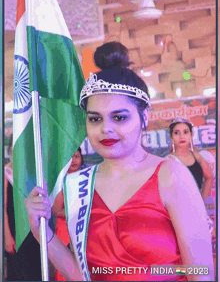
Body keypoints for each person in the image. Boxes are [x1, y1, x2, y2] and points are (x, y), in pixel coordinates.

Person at [25, 42, 214, 281]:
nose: (106, 129)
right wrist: (42, 233)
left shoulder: (170, 175)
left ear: (143, 117)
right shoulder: (78, 184)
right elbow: (81, 274)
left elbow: (200, 272)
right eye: (95, 119)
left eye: (119, 117)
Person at [4, 135, 42, 281]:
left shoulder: (33, 173)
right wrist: (7, 237)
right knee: (19, 274)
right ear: (11, 149)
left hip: (34, 231)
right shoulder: (5, 173)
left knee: (35, 271)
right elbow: (2, 210)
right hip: (15, 233)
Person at [52, 147, 84, 281]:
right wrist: (77, 211)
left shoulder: (86, 178)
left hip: (83, 231)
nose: (73, 160)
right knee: (67, 271)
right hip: (65, 232)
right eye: (69, 157)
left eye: (76, 156)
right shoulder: (61, 181)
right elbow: (56, 210)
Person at [166, 118, 214, 202]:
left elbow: (209, 177)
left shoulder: (196, 156)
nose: (181, 136)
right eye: (176, 133)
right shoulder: (168, 160)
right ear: (171, 137)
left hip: (197, 209)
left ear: (191, 135)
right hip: (178, 210)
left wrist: (202, 202)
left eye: (185, 132)